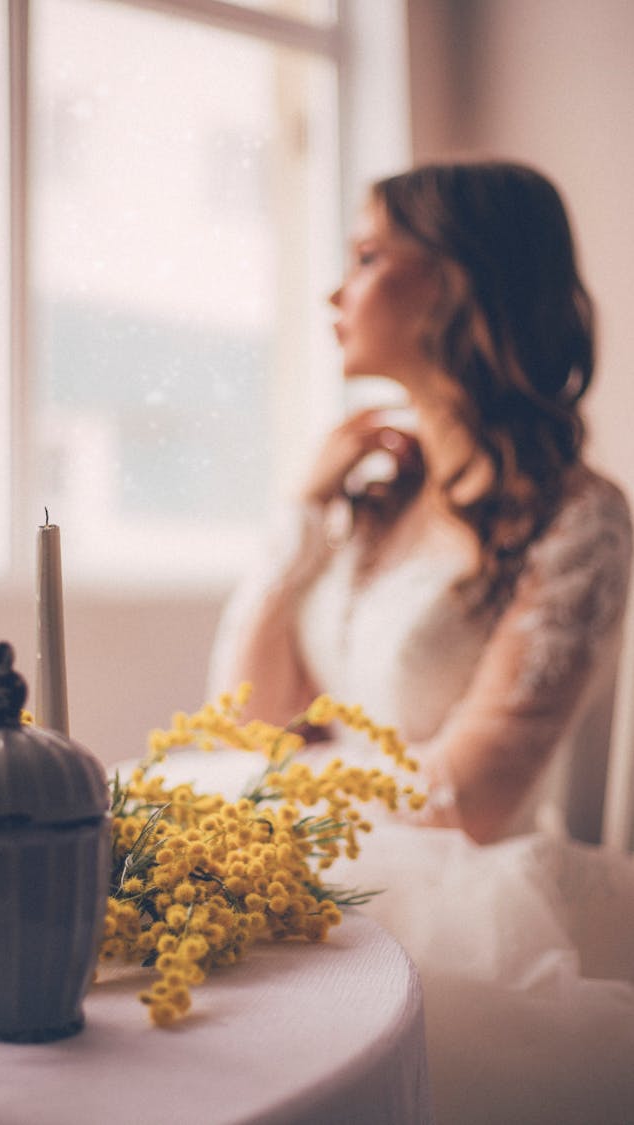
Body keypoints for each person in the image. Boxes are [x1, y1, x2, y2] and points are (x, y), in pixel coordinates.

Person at [207, 160, 634, 1123]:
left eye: (366, 257)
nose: (334, 290)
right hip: (332, 833)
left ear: (452, 282)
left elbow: (474, 800)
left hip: (465, 897)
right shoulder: (373, 496)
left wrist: (290, 789)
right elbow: (250, 719)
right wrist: (304, 511)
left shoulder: (581, 521)